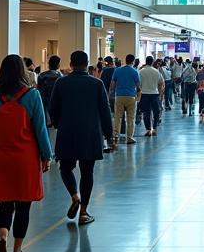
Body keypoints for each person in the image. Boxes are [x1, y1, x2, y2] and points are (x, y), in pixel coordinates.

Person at [0, 55, 52, 252]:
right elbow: (40, 128)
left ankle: (2, 237)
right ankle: (16, 251)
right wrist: (46, 155)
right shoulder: (32, 95)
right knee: (23, 206)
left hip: (0, 157)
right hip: (25, 158)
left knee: (4, 205)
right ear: (23, 71)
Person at [48, 50, 114, 226]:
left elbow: (52, 108)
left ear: (71, 64)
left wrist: (57, 123)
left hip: (67, 132)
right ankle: (84, 212)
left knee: (65, 168)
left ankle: (74, 196)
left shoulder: (61, 83)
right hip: (90, 134)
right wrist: (110, 135)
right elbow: (105, 111)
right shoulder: (97, 84)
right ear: (88, 65)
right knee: (87, 172)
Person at [112, 53, 141, 144]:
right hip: (131, 97)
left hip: (119, 96)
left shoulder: (117, 70)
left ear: (125, 60)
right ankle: (129, 138)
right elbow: (138, 86)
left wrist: (111, 94)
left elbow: (112, 85)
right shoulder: (135, 71)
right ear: (133, 61)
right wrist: (138, 96)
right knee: (130, 118)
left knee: (117, 117)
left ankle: (116, 136)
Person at [138, 55, 164, 136]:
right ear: (152, 62)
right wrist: (160, 94)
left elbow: (138, 84)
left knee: (146, 112)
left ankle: (148, 130)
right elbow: (161, 84)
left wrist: (138, 94)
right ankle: (155, 128)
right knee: (156, 112)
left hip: (144, 94)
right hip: (154, 94)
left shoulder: (141, 71)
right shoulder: (156, 71)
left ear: (146, 61)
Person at [36, 55, 63, 127]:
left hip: (43, 103)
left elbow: (39, 89)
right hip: (56, 104)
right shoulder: (61, 77)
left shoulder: (41, 76)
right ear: (58, 65)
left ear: (49, 64)